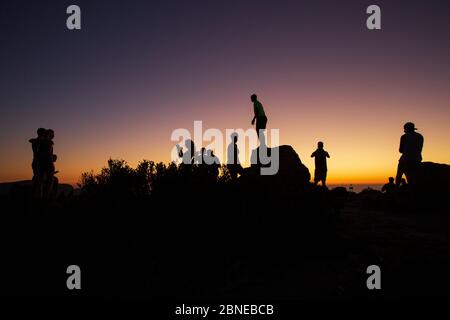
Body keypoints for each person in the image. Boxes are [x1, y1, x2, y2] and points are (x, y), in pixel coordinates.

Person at [395, 122, 424, 186]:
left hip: (405, 159)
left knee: (399, 175)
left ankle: (396, 191)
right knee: (413, 179)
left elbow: (400, 150)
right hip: (417, 159)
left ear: (406, 129)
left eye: (404, 128)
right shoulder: (420, 136)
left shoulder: (404, 136)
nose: (404, 130)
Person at [29, 128, 47, 199]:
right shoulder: (38, 142)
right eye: (44, 133)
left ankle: (38, 198)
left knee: (39, 182)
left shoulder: (37, 141)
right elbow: (37, 153)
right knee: (39, 183)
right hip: (38, 163)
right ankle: (38, 199)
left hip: (37, 163)